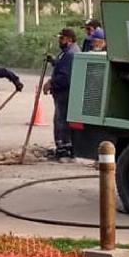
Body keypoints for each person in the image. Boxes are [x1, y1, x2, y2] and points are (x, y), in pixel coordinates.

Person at [43, 28, 80, 162]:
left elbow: (65, 77)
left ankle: (65, 151)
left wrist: (51, 83)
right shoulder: (66, 53)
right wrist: (53, 61)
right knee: (60, 120)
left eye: (62, 38)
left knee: (62, 121)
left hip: (65, 93)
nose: (59, 41)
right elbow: (61, 66)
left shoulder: (71, 53)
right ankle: (61, 149)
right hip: (62, 93)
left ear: (69, 40)